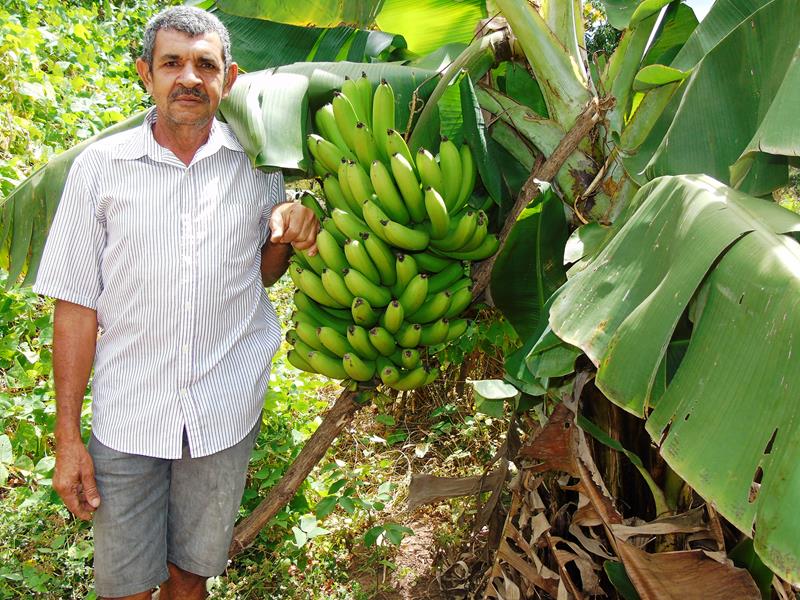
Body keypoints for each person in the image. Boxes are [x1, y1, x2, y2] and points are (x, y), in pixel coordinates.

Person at [32, 6, 319, 599]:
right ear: (146, 74)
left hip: (222, 409)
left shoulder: (258, 164)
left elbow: (261, 275)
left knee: (190, 576)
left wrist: (287, 233)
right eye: (172, 63)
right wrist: (68, 437)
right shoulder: (101, 171)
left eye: (204, 65)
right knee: (128, 586)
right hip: (130, 414)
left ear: (229, 78)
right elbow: (76, 309)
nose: (189, 77)